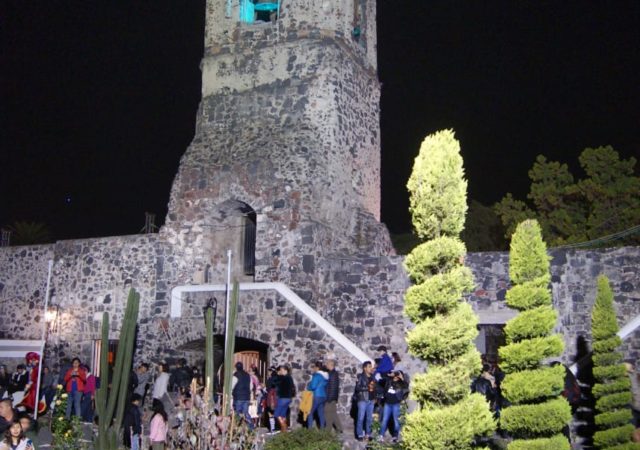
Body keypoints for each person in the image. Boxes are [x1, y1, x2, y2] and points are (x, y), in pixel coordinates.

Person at [378, 370, 409, 443]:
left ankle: (395, 437)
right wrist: (389, 375)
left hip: (396, 404)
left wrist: (402, 378)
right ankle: (381, 436)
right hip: (387, 404)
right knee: (384, 420)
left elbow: (406, 386)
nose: (396, 376)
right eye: (395, 374)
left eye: (397, 374)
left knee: (396, 421)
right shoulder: (389, 381)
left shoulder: (401, 383)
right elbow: (381, 379)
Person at [355, 361, 376, 441]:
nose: (371, 368)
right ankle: (360, 435)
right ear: (365, 368)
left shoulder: (373, 377)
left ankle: (368, 434)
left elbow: (374, 388)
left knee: (369, 418)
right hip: (362, 400)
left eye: (371, 366)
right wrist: (367, 387)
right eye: (369, 366)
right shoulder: (360, 376)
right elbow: (357, 388)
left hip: (371, 400)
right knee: (360, 418)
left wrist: (375, 398)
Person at [306, 361, 328, 429]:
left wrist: (308, 387)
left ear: (317, 368)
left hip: (316, 395)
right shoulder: (326, 376)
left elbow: (313, 386)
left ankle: (309, 430)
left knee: (310, 412)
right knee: (321, 413)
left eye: (314, 367)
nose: (313, 369)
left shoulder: (316, 375)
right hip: (323, 396)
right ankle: (322, 430)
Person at [273, 365, 294, 433]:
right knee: (283, 414)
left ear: (285, 370)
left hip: (283, 398)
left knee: (276, 414)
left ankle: (284, 426)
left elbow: (274, 383)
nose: (280, 371)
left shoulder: (284, 378)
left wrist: (277, 375)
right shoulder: (290, 377)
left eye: (281, 370)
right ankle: (283, 430)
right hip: (288, 398)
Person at [323, 358, 343, 433]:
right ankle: (339, 428)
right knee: (333, 413)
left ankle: (328, 431)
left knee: (327, 414)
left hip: (330, 398)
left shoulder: (331, 374)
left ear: (331, 365)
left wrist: (328, 399)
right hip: (333, 397)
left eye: (327, 364)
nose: (326, 365)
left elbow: (332, 387)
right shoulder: (334, 374)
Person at [231, 362, 253, 429]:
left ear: (236, 367)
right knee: (245, 413)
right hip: (246, 397)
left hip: (238, 397)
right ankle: (250, 428)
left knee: (237, 413)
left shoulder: (235, 375)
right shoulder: (248, 375)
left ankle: (237, 428)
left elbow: (232, 386)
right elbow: (251, 386)